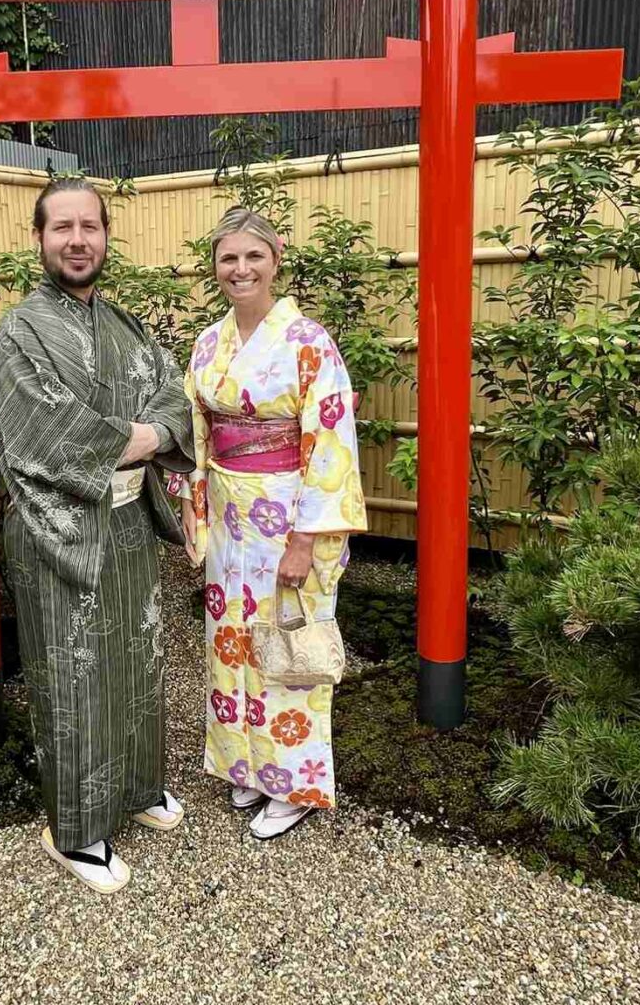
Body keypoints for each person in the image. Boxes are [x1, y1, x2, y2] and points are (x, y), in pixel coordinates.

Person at [0, 178, 194, 893]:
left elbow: (172, 396)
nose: (78, 240)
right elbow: (39, 429)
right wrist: (137, 437)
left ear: (106, 237)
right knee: (74, 677)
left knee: (138, 660)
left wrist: (150, 432)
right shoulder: (19, 331)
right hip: (59, 529)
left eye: (90, 226)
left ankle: (136, 790)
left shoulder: (129, 327)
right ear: (38, 239)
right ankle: (75, 831)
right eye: (62, 227)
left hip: (129, 520)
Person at [177, 208, 367, 840]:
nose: (241, 269)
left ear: (276, 260)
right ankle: (244, 765)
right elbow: (196, 431)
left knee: (288, 642)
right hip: (230, 515)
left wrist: (307, 537)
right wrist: (192, 506)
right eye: (228, 259)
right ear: (215, 268)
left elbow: (331, 438)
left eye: (253, 257)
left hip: (288, 512)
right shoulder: (209, 343)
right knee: (230, 640)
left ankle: (295, 781)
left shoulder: (310, 343)